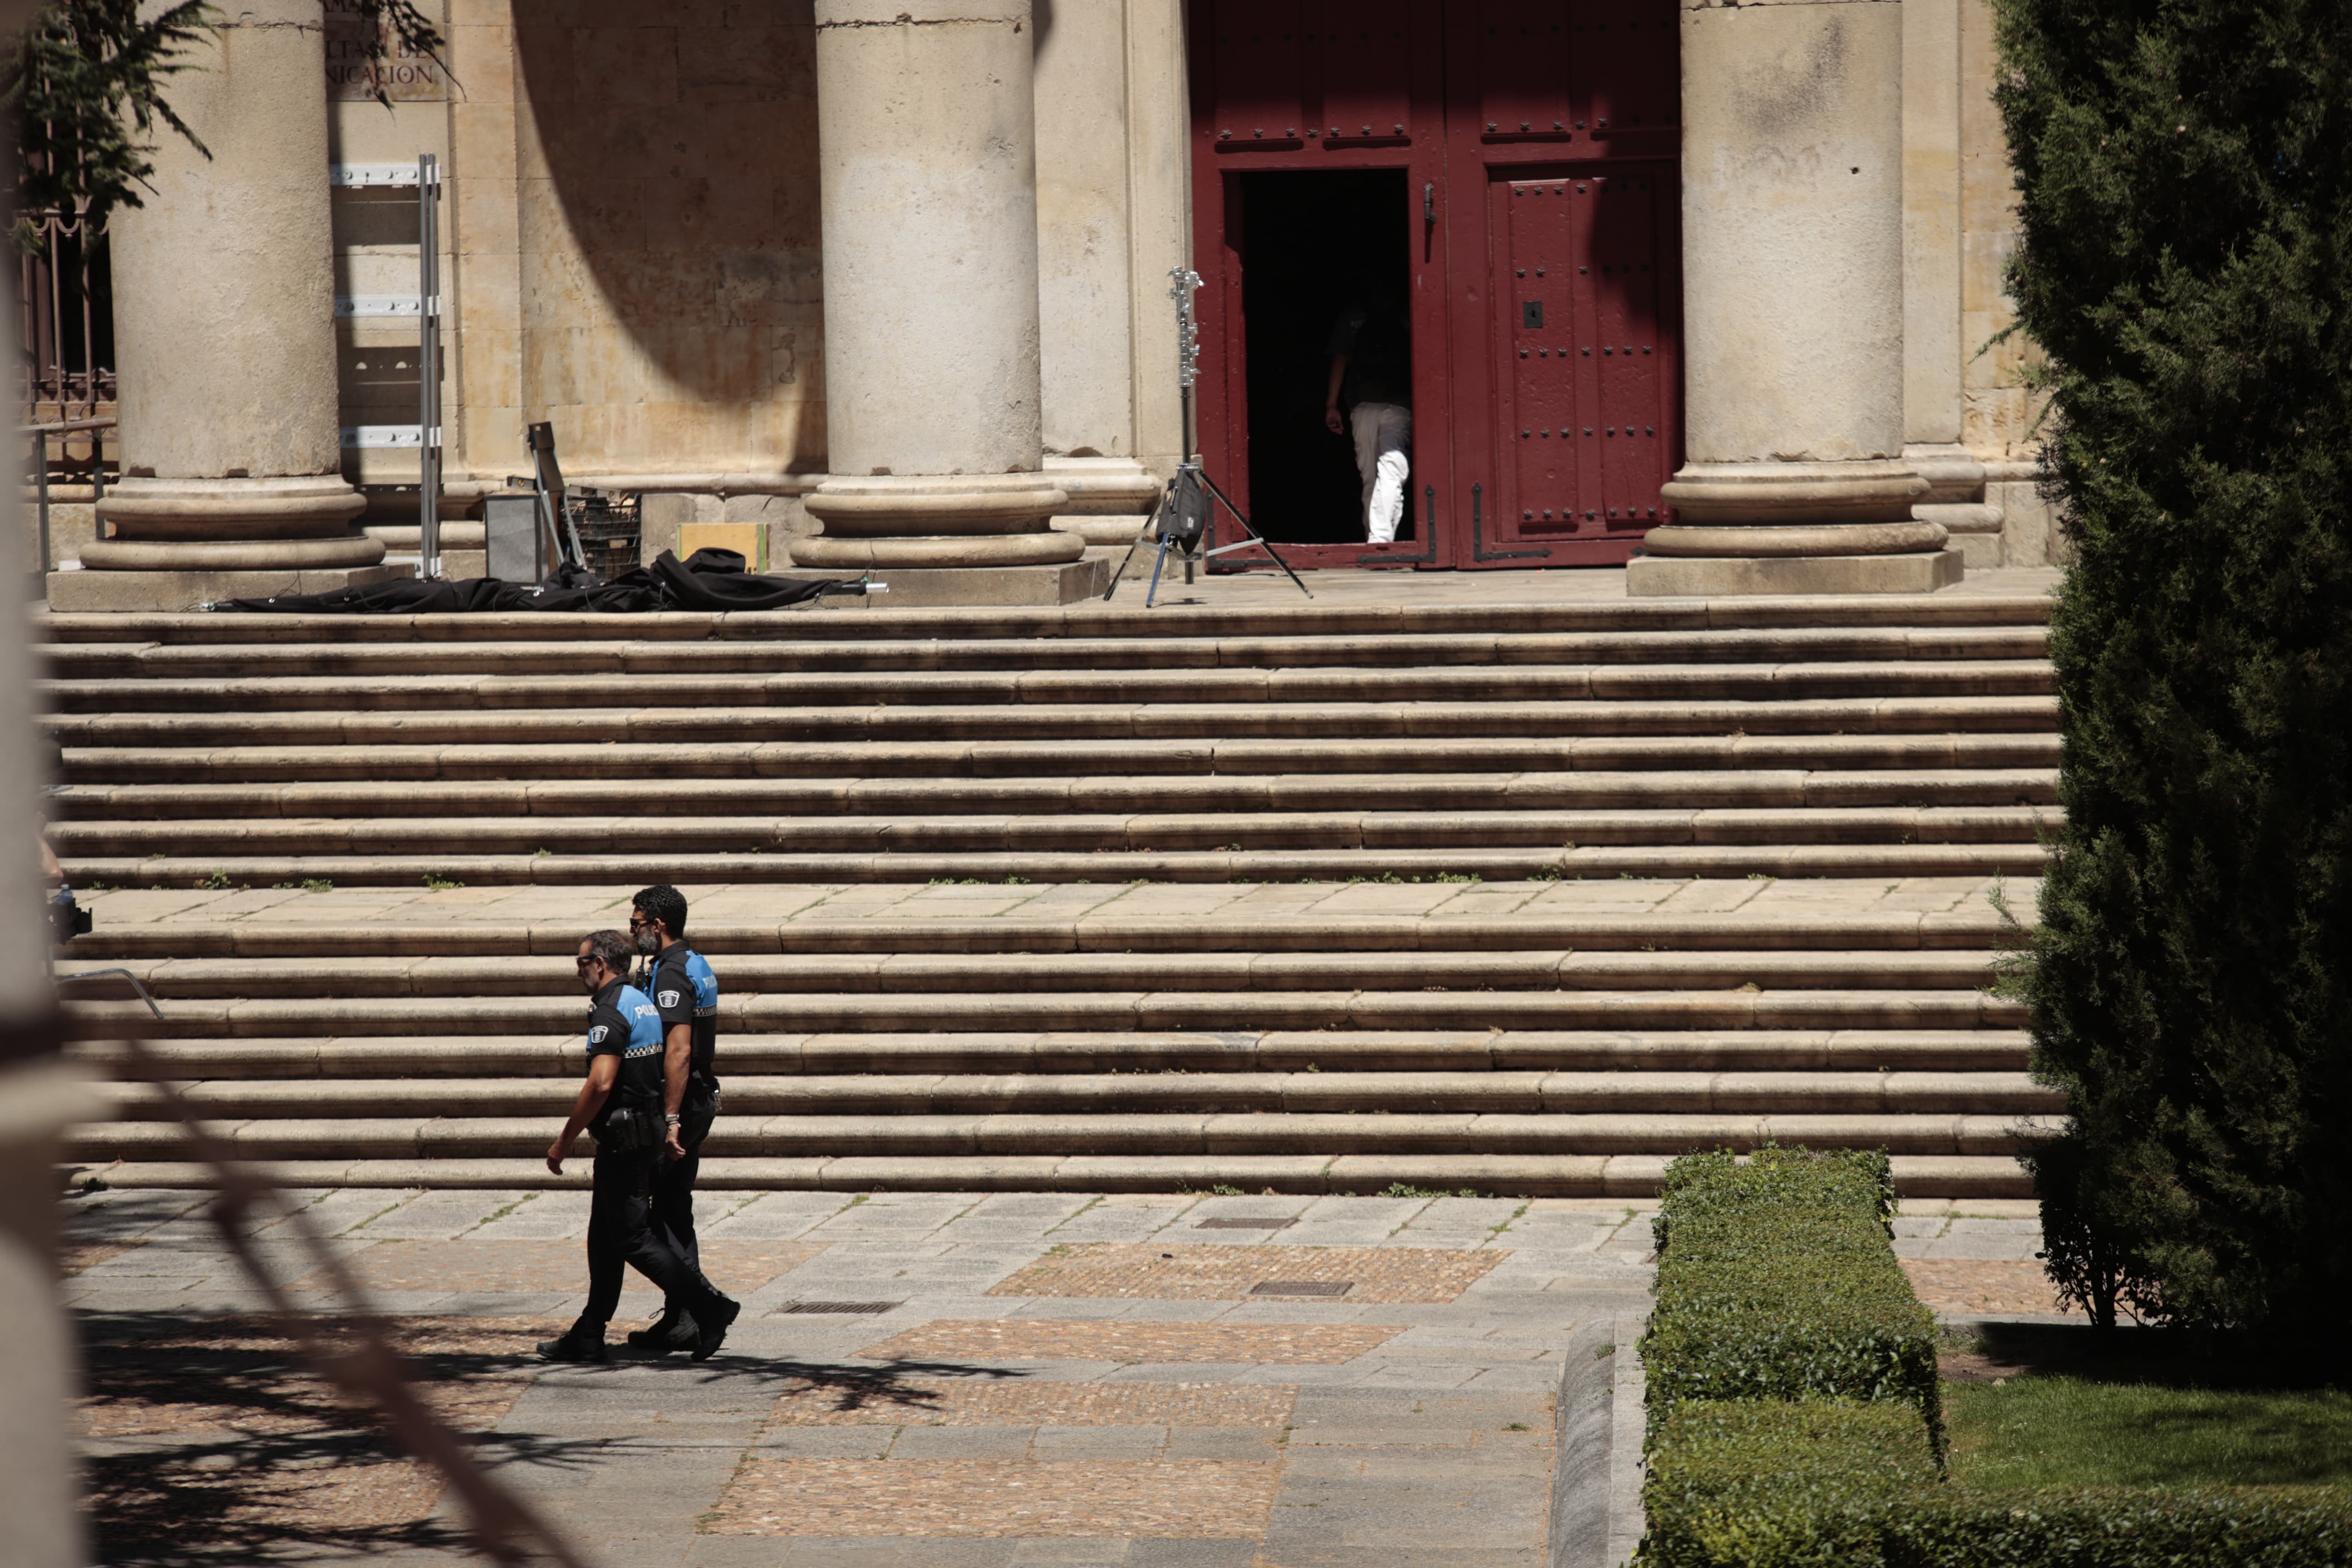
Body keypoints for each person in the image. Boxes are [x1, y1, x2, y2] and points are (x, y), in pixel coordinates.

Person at [539, 928, 739, 1364]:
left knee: (632, 1239)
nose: (578, 971)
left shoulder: (611, 1011)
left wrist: (563, 1140)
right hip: (643, 1132)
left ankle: (711, 1306)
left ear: (600, 964)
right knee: (604, 1237)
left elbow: (602, 1081)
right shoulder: (639, 999)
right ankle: (590, 1331)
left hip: (624, 1142)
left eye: (581, 962)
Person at [623, 884, 724, 1353]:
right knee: (673, 1207)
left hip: (680, 1104)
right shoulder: (694, 962)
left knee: (647, 1216)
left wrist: (669, 1118)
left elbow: (679, 1050)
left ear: (657, 926)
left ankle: (703, 1307)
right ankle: (683, 1316)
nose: (632, 929)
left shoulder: (670, 973)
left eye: (637, 922)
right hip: (700, 1097)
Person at [1323, 286, 1413, 544]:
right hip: (1399, 405)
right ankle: (1380, 539)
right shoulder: (1407, 312)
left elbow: (1339, 359)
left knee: (1370, 477)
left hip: (1362, 406)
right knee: (1392, 469)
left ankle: (1374, 537)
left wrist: (1331, 405)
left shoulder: (1353, 316)